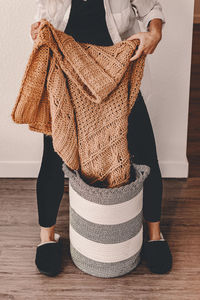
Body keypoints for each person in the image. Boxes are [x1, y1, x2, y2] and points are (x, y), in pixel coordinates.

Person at [31, 0, 172, 276]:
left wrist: (155, 34)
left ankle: (155, 235)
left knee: (145, 151)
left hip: (118, 74)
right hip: (67, 75)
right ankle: (46, 239)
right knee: (52, 154)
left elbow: (152, 8)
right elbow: (42, 18)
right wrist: (37, 31)